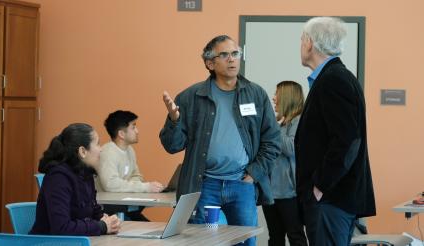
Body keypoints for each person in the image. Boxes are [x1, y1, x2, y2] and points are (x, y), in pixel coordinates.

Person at [160, 35, 280, 246]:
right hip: (205, 186)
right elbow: (172, 145)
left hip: (242, 185)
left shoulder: (255, 94)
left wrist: (253, 174)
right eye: (223, 55)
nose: (231, 59)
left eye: (235, 53)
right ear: (209, 63)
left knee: (246, 242)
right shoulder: (191, 97)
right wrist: (174, 120)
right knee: (206, 242)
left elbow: (272, 141)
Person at [295, 16, 376, 245]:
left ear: (309, 43)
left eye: (302, 40)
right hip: (332, 199)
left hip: (331, 199)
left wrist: (320, 185)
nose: (300, 46)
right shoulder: (334, 77)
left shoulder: (333, 80)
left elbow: (348, 141)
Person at [30, 123, 121, 236]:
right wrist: (101, 226)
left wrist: (107, 220)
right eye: (97, 144)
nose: (101, 149)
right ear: (82, 151)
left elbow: (93, 211)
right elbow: (62, 228)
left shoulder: (85, 173)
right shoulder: (58, 178)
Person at [96, 110, 164, 221]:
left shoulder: (129, 150)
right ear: (121, 134)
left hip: (122, 204)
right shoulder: (108, 152)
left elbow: (137, 176)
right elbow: (111, 184)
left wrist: (129, 185)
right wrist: (145, 187)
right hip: (107, 212)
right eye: (133, 127)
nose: (137, 131)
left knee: (152, 228)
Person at [262, 81, 307, 246]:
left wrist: (273, 129)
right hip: (271, 193)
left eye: (277, 94)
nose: (273, 98)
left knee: (296, 237)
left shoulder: (299, 121)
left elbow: (291, 148)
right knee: (275, 237)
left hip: (289, 193)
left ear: (287, 97)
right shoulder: (279, 122)